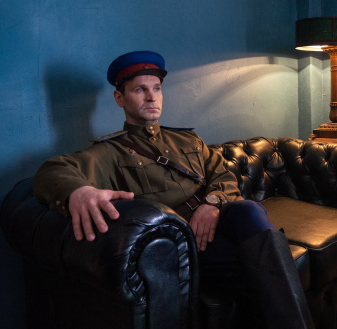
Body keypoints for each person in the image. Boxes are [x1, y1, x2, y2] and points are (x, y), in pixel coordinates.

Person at [33, 51, 314, 329]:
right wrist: (78, 192)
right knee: (269, 272)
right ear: (120, 98)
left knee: (249, 209)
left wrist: (212, 203)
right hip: (187, 241)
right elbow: (52, 170)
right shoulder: (109, 153)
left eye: (156, 88)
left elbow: (223, 175)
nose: (151, 97)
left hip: (219, 218)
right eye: (140, 90)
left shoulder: (187, 139)